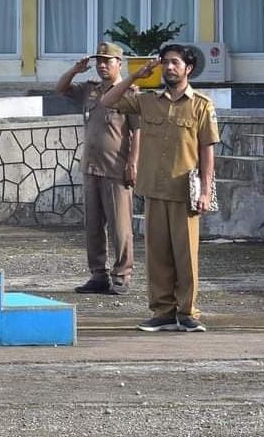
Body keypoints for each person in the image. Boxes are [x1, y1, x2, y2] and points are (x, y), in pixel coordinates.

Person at [101, 43, 219, 332]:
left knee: (186, 255)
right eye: (165, 62)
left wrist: (206, 190)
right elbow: (108, 100)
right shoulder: (148, 101)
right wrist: (135, 77)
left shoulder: (201, 105)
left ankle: (188, 312)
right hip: (154, 189)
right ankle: (163, 312)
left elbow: (207, 150)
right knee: (157, 255)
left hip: (184, 192)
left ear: (188, 68)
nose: (169, 68)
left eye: (175, 63)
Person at [56, 42, 140, 296]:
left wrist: (133, 164)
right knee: (92, 225)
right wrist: (74, 70)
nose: (102, 65)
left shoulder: (129, 92)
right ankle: (98, 274)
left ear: (119, 64)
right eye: (99, 61)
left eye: (108, 61)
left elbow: (138, 131)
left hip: (116, 167)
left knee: (120, 227)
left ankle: (122, 275)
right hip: (91, 166)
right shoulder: (90, 90)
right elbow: (60, 89)